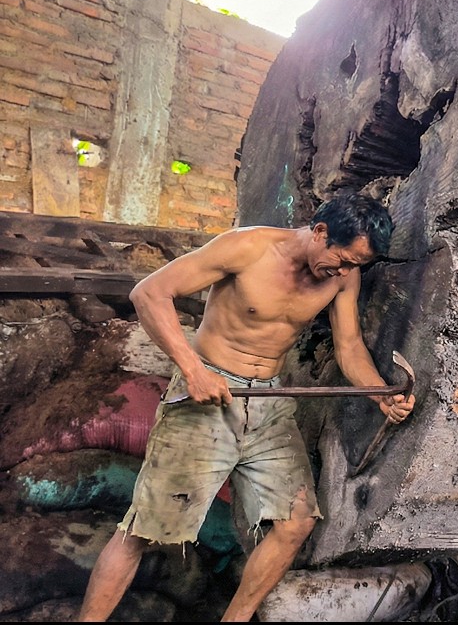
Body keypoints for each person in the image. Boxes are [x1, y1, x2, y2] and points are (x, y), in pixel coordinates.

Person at [77, 192, 416, 622]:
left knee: (296, 522)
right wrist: (193, 369)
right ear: (320, 232)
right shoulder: (246, 248)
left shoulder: (342, 277)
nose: (347, 272)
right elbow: (149, 293)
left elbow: (348, 345)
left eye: (356, 267)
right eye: (344, 259)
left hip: (271, 402)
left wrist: (380, 393)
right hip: (210, 394)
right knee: (144, 529)